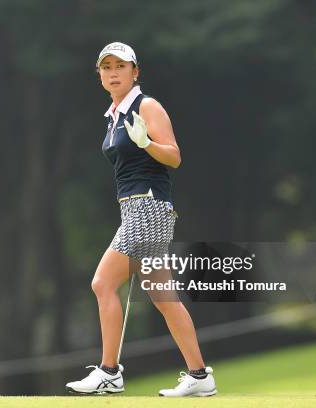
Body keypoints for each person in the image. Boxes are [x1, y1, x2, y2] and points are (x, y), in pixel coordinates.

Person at [65, 42, 217, 397]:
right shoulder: (114, 113)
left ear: (136, 71)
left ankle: (109, 372)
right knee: (163, 297)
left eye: (121, 65)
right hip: (135, 210)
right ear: (99, 74)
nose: (113, 72)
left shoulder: (146, 106)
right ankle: (199, 376)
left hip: (148, 208)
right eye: (107, 67)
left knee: (103, 283)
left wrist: (146, 142)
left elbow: (174, 157)